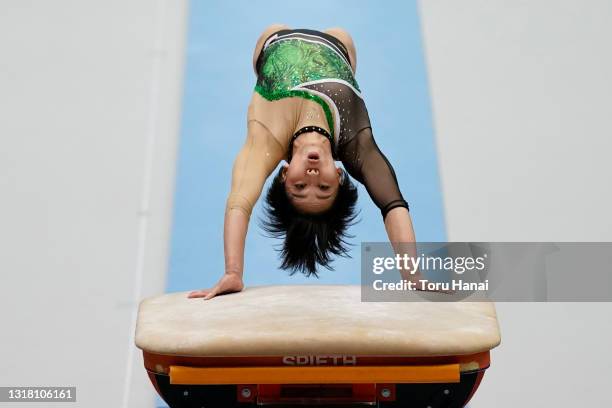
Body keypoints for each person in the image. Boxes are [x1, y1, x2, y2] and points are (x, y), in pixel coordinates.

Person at [188, 25, 417, 300]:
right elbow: (392, 204)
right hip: (337, 46)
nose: (312, 174)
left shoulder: (266, 141)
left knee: (273, 31)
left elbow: (240, 201)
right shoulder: (356, 144)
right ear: (340, 175)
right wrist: (411, 273)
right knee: (342, 35)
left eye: (299, 186)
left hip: (274, 39)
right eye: (323, 187)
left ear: (283, 174)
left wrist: (233, 272)